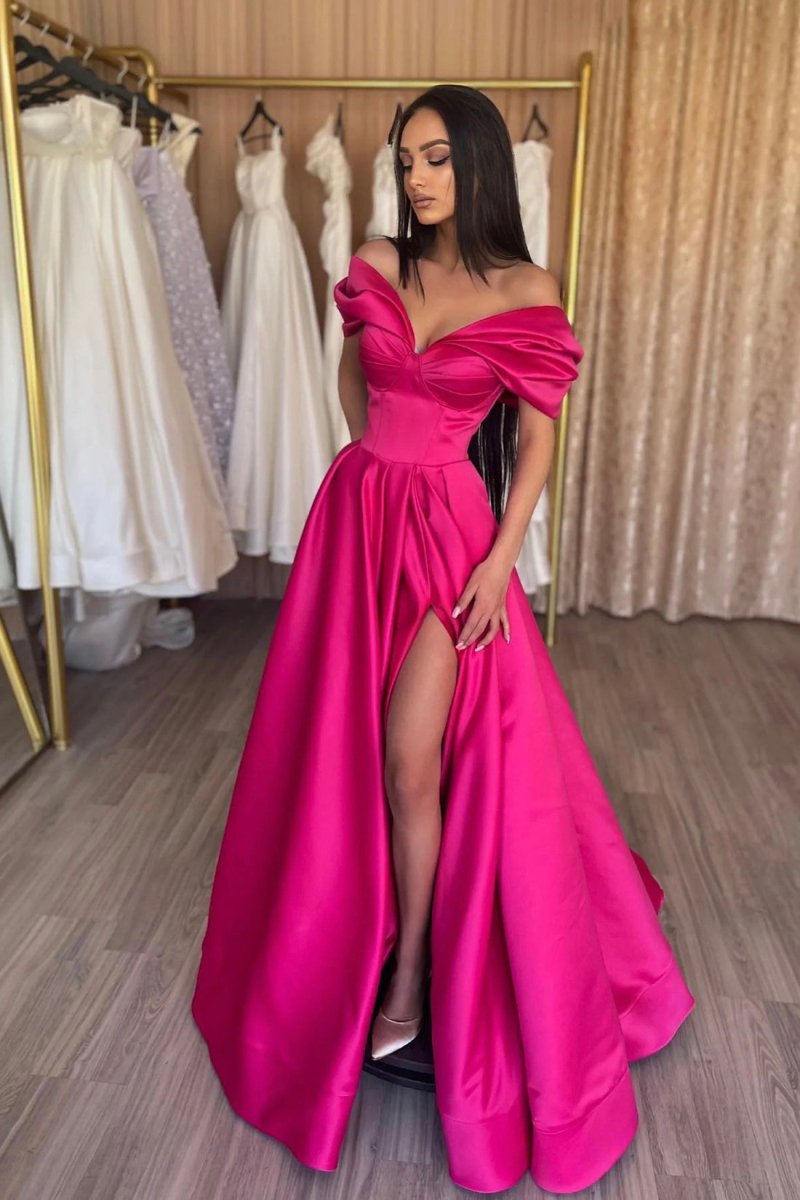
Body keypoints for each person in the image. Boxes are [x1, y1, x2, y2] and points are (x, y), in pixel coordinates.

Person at [191, 85, 695, 1196]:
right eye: (405, 160)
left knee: (407, 756)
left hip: (453, 538)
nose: (415, 179)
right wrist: (365, 457)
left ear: (477, 163)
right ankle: (348, 928)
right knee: (336, 748)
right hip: (359, 519)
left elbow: (537, 442)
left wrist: (502, 557)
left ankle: (411, 969)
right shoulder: (379, 261)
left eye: (435, 159)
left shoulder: (525, 287)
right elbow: (352, 373)